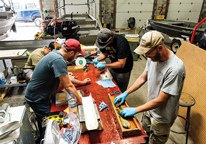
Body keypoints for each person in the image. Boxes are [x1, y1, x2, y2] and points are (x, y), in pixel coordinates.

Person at [114, 31, 186, 144]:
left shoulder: (175, 69)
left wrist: (135, 109)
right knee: (144, 136)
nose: (146, 56)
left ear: (160, 48)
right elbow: (143, 77)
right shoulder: (152, 57)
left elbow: (162, 100)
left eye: (147, 53)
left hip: (162, 117)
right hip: (149, 108)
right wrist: (126, 93)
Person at [25, 39, 85, 139]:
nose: (76, 57)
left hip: (41, 94)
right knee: (49, 126)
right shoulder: (58, 60)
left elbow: (64, 78)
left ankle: (42, 136)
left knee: (44, 122)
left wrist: (82, 83)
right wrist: (82, 101)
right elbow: (68, 86)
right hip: (37, 98)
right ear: (71, 52)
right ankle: (44, 139)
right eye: (76, 54)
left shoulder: (55, 54)